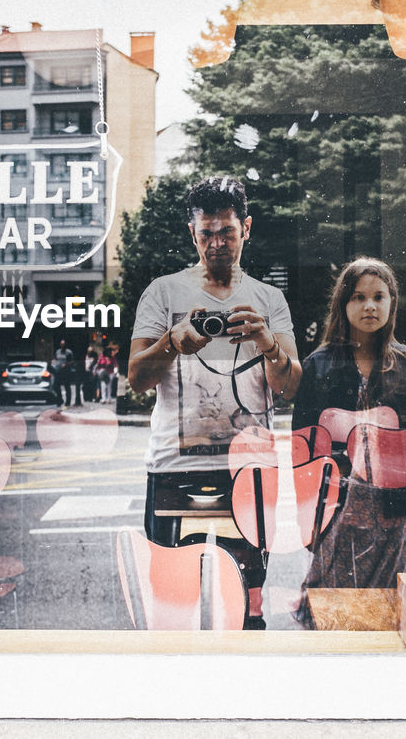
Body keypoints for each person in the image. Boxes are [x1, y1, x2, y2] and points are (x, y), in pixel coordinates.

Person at [128, 175, 301, 626]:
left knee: (249, 607)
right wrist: (173, 340)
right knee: (170, 605)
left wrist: (266, 341)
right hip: (173, 466)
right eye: (207, 233)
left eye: (227, 231)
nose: (217, 243)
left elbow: (291, 388)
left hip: (249, 468)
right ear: (192, 233)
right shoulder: (163, 293)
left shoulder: (269, 298)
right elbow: (136, 379)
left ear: (247, 227)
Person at [291, 257, 406, 598]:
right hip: (335, 507)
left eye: (379, 297)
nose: (369, 306)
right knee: (325, 597)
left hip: (396, 508)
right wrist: (306, 511)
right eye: (359, 297)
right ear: (343, 304)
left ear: (391, 302)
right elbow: (301, 445)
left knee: (381, 599)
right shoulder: (318, 366)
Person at [51, 339, 75, 406]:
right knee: (56, 386)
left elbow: (72, 361)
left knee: (67, 386)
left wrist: (66, 364)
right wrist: (54, 361)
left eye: (63, 345)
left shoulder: (69, 352)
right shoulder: (58, 351)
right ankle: (60, 400)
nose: (62, 346)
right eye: (61, 345)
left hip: (66, 372)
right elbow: (55, 359)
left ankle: (68, 402)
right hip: (58, 371)